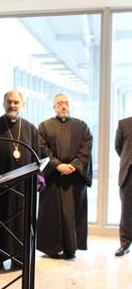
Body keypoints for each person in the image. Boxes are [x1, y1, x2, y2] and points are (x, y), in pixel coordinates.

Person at [0, 90, 40, 271]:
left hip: (23, 187)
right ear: (3, 103)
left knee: (21, 222)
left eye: (16, 102)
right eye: (9, 102)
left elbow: (37, 158)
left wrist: (38, 178)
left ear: (22, 105)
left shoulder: (31, 129)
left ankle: (19, 258)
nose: (12, 105)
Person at [36, 93, 93, 259]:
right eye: (59, 103)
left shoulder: (82, 126)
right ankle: (52, 248)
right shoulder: (44, 126)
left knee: (74, 213)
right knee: (53, 214)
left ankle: (71, 247)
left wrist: (74, 166)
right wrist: (57, 165)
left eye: (66, 103)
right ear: (54, 107)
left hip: (75, 179)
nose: (63, 106)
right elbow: (42, 148)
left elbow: (86, 149)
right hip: (53, 178)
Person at [114, 116, 132, 256]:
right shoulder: (124, 123)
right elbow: (118, 147)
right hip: (129, 172)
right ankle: (125, 244)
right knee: (126, 210)